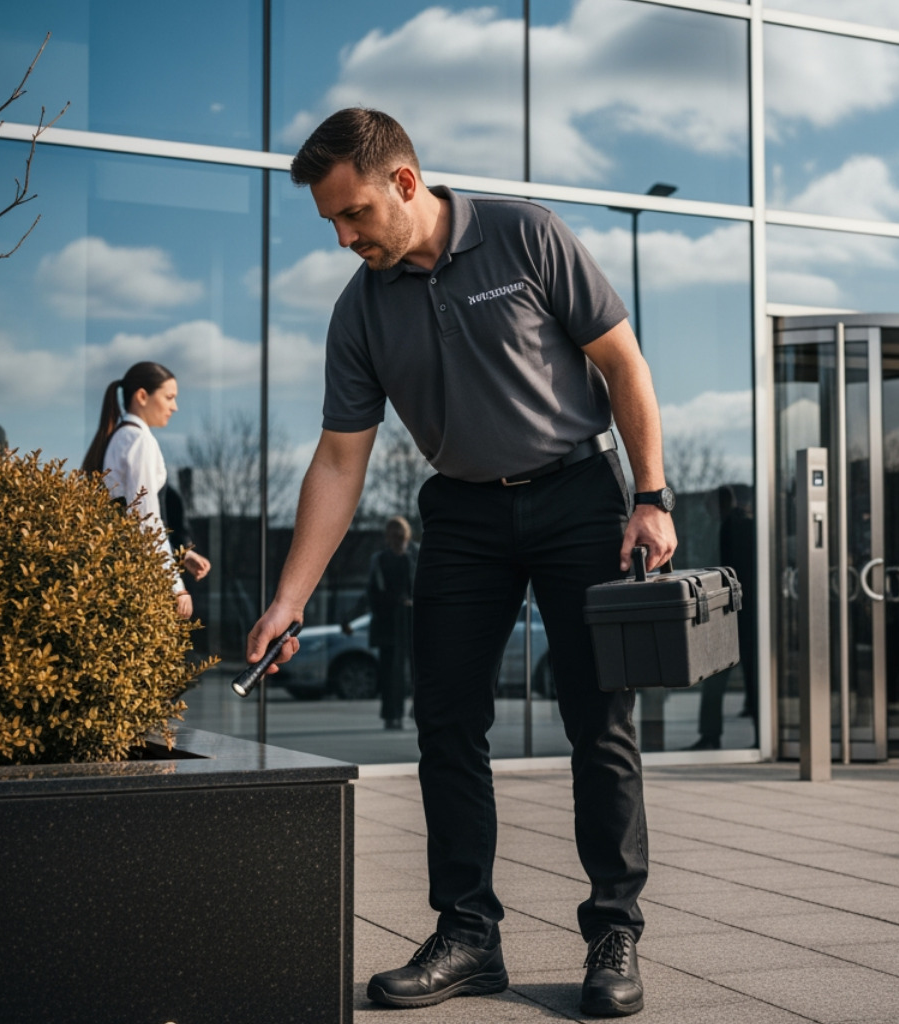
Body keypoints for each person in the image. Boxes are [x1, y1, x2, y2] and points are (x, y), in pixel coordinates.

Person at [245, 109, 674, 1017]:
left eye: (353, 212)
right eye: (330, 222)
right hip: (466, 512)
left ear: (405, 182)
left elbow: (623, 365)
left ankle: (613, 930)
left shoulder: (525, 234)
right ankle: (470, 935)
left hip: (575, 496)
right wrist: (290, 598)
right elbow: (338, 460)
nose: (344, 236)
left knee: (599, 719)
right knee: (446, 722)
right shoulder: (360, 308)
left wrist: (651, 495)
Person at [80, 362, 210, 620]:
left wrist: (182, 555)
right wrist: (176, 587)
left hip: (117, 570)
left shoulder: (120, 437)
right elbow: (146, 518)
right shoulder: (140, 441)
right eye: (169, 397)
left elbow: (135, 516)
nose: (175, 407)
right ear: (142, 396)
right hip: (135, 579)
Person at [689, 485, 758, 750]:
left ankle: (710, 736)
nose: (708, 514)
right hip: (747, 614)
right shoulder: (744, 526)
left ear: (720, 505)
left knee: (715, 675)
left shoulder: (731, 528)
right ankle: (760, 734)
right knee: (751, 675)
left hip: (734, 613)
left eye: (709, 508)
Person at [344, 516, 418, 729]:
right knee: (390, 672)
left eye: (400, 534)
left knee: (419, 670)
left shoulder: (416, 555)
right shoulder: (381, 560)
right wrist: (350, 618)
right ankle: (391, 715)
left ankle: (418, 709)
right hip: (389, 623)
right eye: (392, 535)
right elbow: (370, 593)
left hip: (413, 621)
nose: (396, 539)